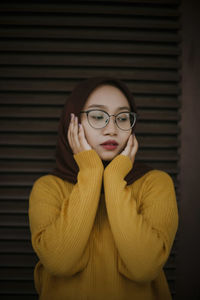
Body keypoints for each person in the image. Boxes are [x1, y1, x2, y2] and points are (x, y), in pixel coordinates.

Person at [29, 77, 178, 300]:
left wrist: (114, 176)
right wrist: (90, 172)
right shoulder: (48, 188)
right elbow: (59, 262)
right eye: (98, 116)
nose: (112, 129)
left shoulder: (155, 184)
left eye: (123, 117)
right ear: (72, 124)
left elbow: (144, 267)